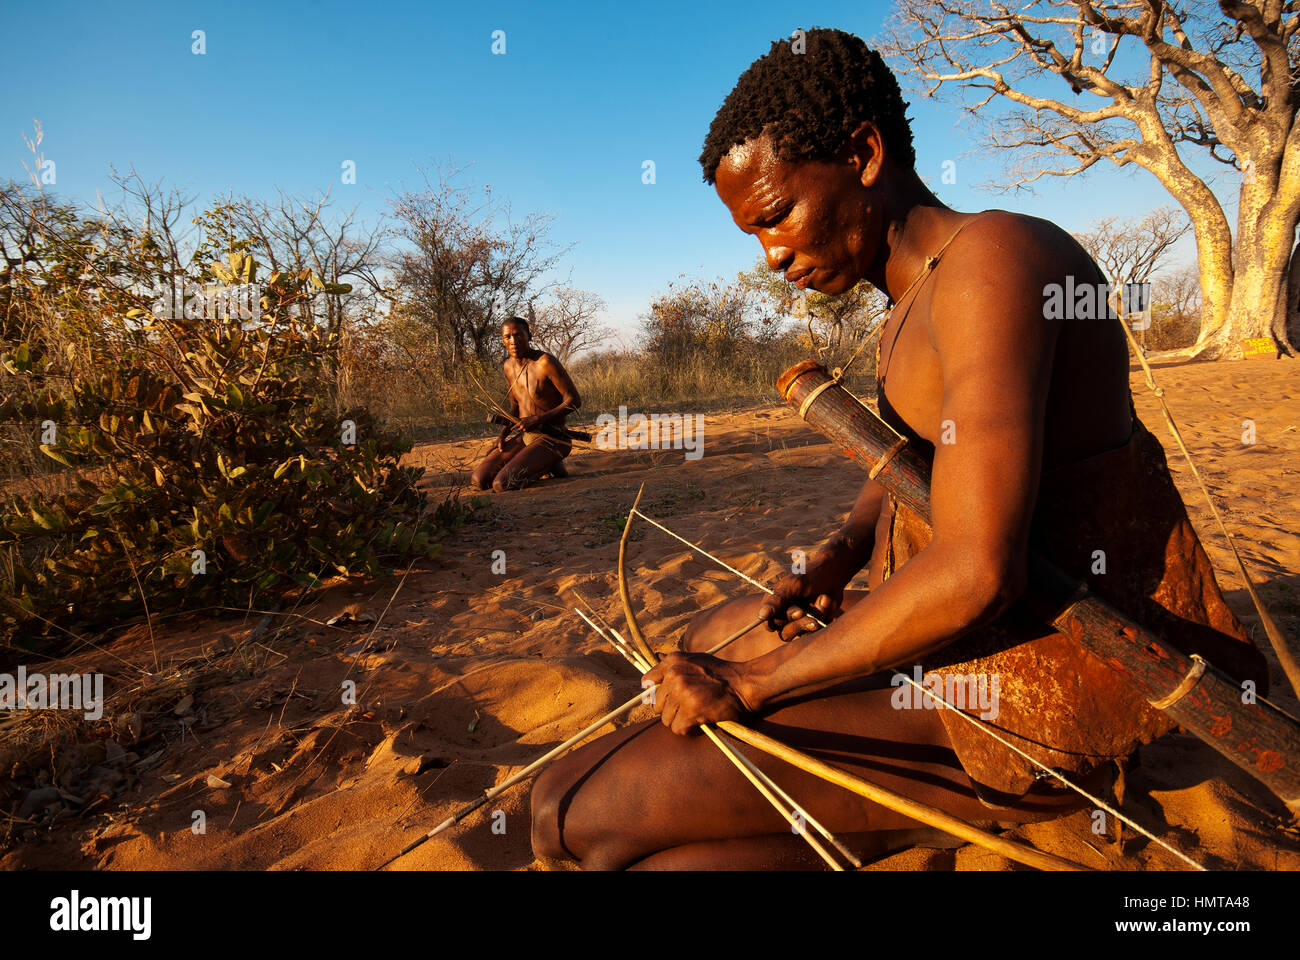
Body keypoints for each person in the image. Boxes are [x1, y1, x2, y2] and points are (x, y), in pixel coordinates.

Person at [528, 28, 1266, 870]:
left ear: (864, 153)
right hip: (961, 642)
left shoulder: (998, 264)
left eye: (776, 216)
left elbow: (980, 569)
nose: (771, 255)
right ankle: (867, 812)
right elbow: (918, 467)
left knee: (568, 813)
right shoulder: (910, 299)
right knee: (712, 634)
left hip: (1036, 684)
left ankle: (944, 806)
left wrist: (758, 685)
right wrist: (839, 554)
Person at [471, 317, 581, 492]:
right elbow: (514, 408)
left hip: (553, 438)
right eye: (508, 337)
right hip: (526, 436)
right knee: (480, 480)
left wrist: (539, 419)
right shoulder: (508, 366)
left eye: (518, 335)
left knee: (502, 484)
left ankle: (550, 462)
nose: (513, 341)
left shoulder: (545, 362)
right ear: (502, 340)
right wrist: (503, 435)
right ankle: (547, 462)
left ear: (529, 335)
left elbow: (574, 401)